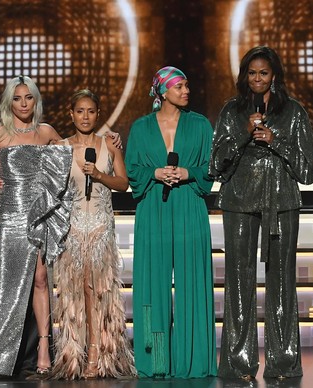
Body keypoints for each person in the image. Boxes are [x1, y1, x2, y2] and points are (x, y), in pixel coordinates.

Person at [209, 46, 313, 380]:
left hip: (282, 201)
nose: (257, 79)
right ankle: (238, 364)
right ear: (245, 75)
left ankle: (283, 363)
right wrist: (244, 134)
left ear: (275, 76)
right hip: (240, 201)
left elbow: (309, 170)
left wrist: (277, 141)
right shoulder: (232, 112)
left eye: (264, 73)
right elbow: (216, 165)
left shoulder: (294, 112)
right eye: (252, 73)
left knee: (283, 281)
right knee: (239, 283)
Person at [0, 75, 73, 379]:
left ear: (35, 100)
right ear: (9, 102)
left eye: (28, 97)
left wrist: (109, 141)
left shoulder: (46, 132)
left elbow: (71, 156)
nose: (23, 103)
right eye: (17, 98)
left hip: (38, 215)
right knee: (2, 288)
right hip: (6, 215)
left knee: (41, 279)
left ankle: (43, 348)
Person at [125, 66, 217, 378]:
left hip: (190, 205)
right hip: (153, 209)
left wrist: (188, 173)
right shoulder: (140, 127)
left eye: (187, 85)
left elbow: (211, 167)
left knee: (193, 283)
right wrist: (155, 172)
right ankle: (156, 360)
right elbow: (131, 171)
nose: (186, 91)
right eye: (179, 86)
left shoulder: (201, 124)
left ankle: (193, 362)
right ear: (163, 92)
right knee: (153, 284)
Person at [50, 89, 136, 380]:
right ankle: (76, 352)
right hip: (73, 228)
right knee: (75, 290)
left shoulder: (109, 145)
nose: (85, 117)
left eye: (90, 111)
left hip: (100, 226)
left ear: (98, 114)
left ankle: (99, 353)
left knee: (97, 288)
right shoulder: (60, 148)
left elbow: (123, 184)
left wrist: (99, 176)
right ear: (71, 114)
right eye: (80, 111)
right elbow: (52, 189)